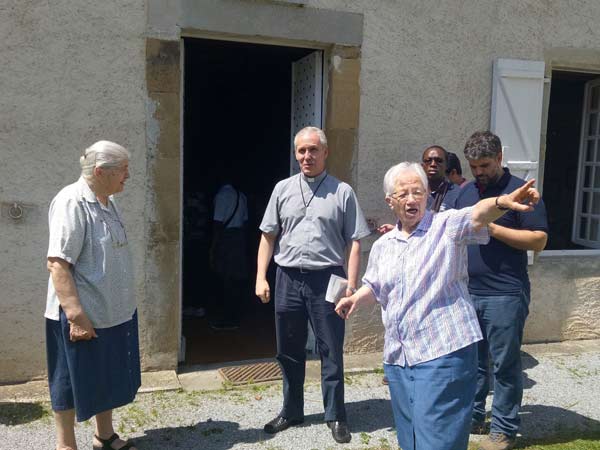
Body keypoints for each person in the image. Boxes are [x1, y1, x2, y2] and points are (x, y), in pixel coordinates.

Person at [335, 161, 541, 450]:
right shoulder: (385, 245)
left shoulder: (446, 226)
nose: (412, 199)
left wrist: (501, 202)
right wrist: (356, 298)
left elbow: (477, 214)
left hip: (444, 353)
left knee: (438, 441)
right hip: (399, 357)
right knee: (410, 439)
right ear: (390, 201)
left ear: (427, 195)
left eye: (418, 192)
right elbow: (376, 286)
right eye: (403, 194)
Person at [256, 126, 370, 444]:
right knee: (289, 349)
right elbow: (268, 235)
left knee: (330, 348)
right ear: (296, 154)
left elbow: (355, 242)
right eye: (302, 150)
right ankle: (292, 410)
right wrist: (260, 277)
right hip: (288, 278)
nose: (307, 156)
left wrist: (351, 285)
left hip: (328, 279)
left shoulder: (342, 192)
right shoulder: (282, 189)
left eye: (313, 149)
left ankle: (336, 415)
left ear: (325, 152)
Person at [455, 131, 548, 450]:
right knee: (473, 362)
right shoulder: (466, 192)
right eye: (473, 166)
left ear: (499, 158)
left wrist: (492, 227)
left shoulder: (521, 191)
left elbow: (539, 240)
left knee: (504, 364)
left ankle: (504, 429)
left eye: (484, 165)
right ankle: (474, 416)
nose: (478, 172)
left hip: (505, 293)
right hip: (467, 291)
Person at [45, 141, 140, 450]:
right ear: (100, 172)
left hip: (111, 311)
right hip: (81, 315)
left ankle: (104, 436)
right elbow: (58, 263)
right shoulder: (71, 202)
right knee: (67, 381)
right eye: (123, 170)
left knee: (105, 378)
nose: (128, 176)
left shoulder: (108, 202)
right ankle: (66, 445)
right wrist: (75, 315)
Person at [210, 173, 249, 330]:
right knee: (236, 279)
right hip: (239, 239)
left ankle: (227, 318)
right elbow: (245, 222)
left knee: (225, 278)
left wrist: (213, 247)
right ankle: (235, 315)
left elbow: (217, 223)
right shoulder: (242, 196)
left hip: (226, 239)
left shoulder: (222, 196)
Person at [422, 145, 460, 211]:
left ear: (446, 165)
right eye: (428, 161)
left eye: (439, 161)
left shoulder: (457, 193)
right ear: (422, 166)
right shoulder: (414, 192)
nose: (433, 164)